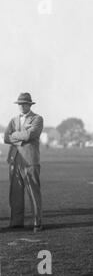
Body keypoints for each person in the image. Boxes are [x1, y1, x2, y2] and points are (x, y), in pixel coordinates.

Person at [4, 93, 44, 232]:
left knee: (33, 192)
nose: (21, 106)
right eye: (19, 104)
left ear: (30, 104)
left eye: (24, 103)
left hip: (30, 160)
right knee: (15, 193)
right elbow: (5, 138)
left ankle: (37, 223)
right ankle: (16, 222)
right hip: (14, 160)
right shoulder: (13, 120)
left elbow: (30, 135)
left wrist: (14, 135)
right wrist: (19, 137)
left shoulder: (37, 119)